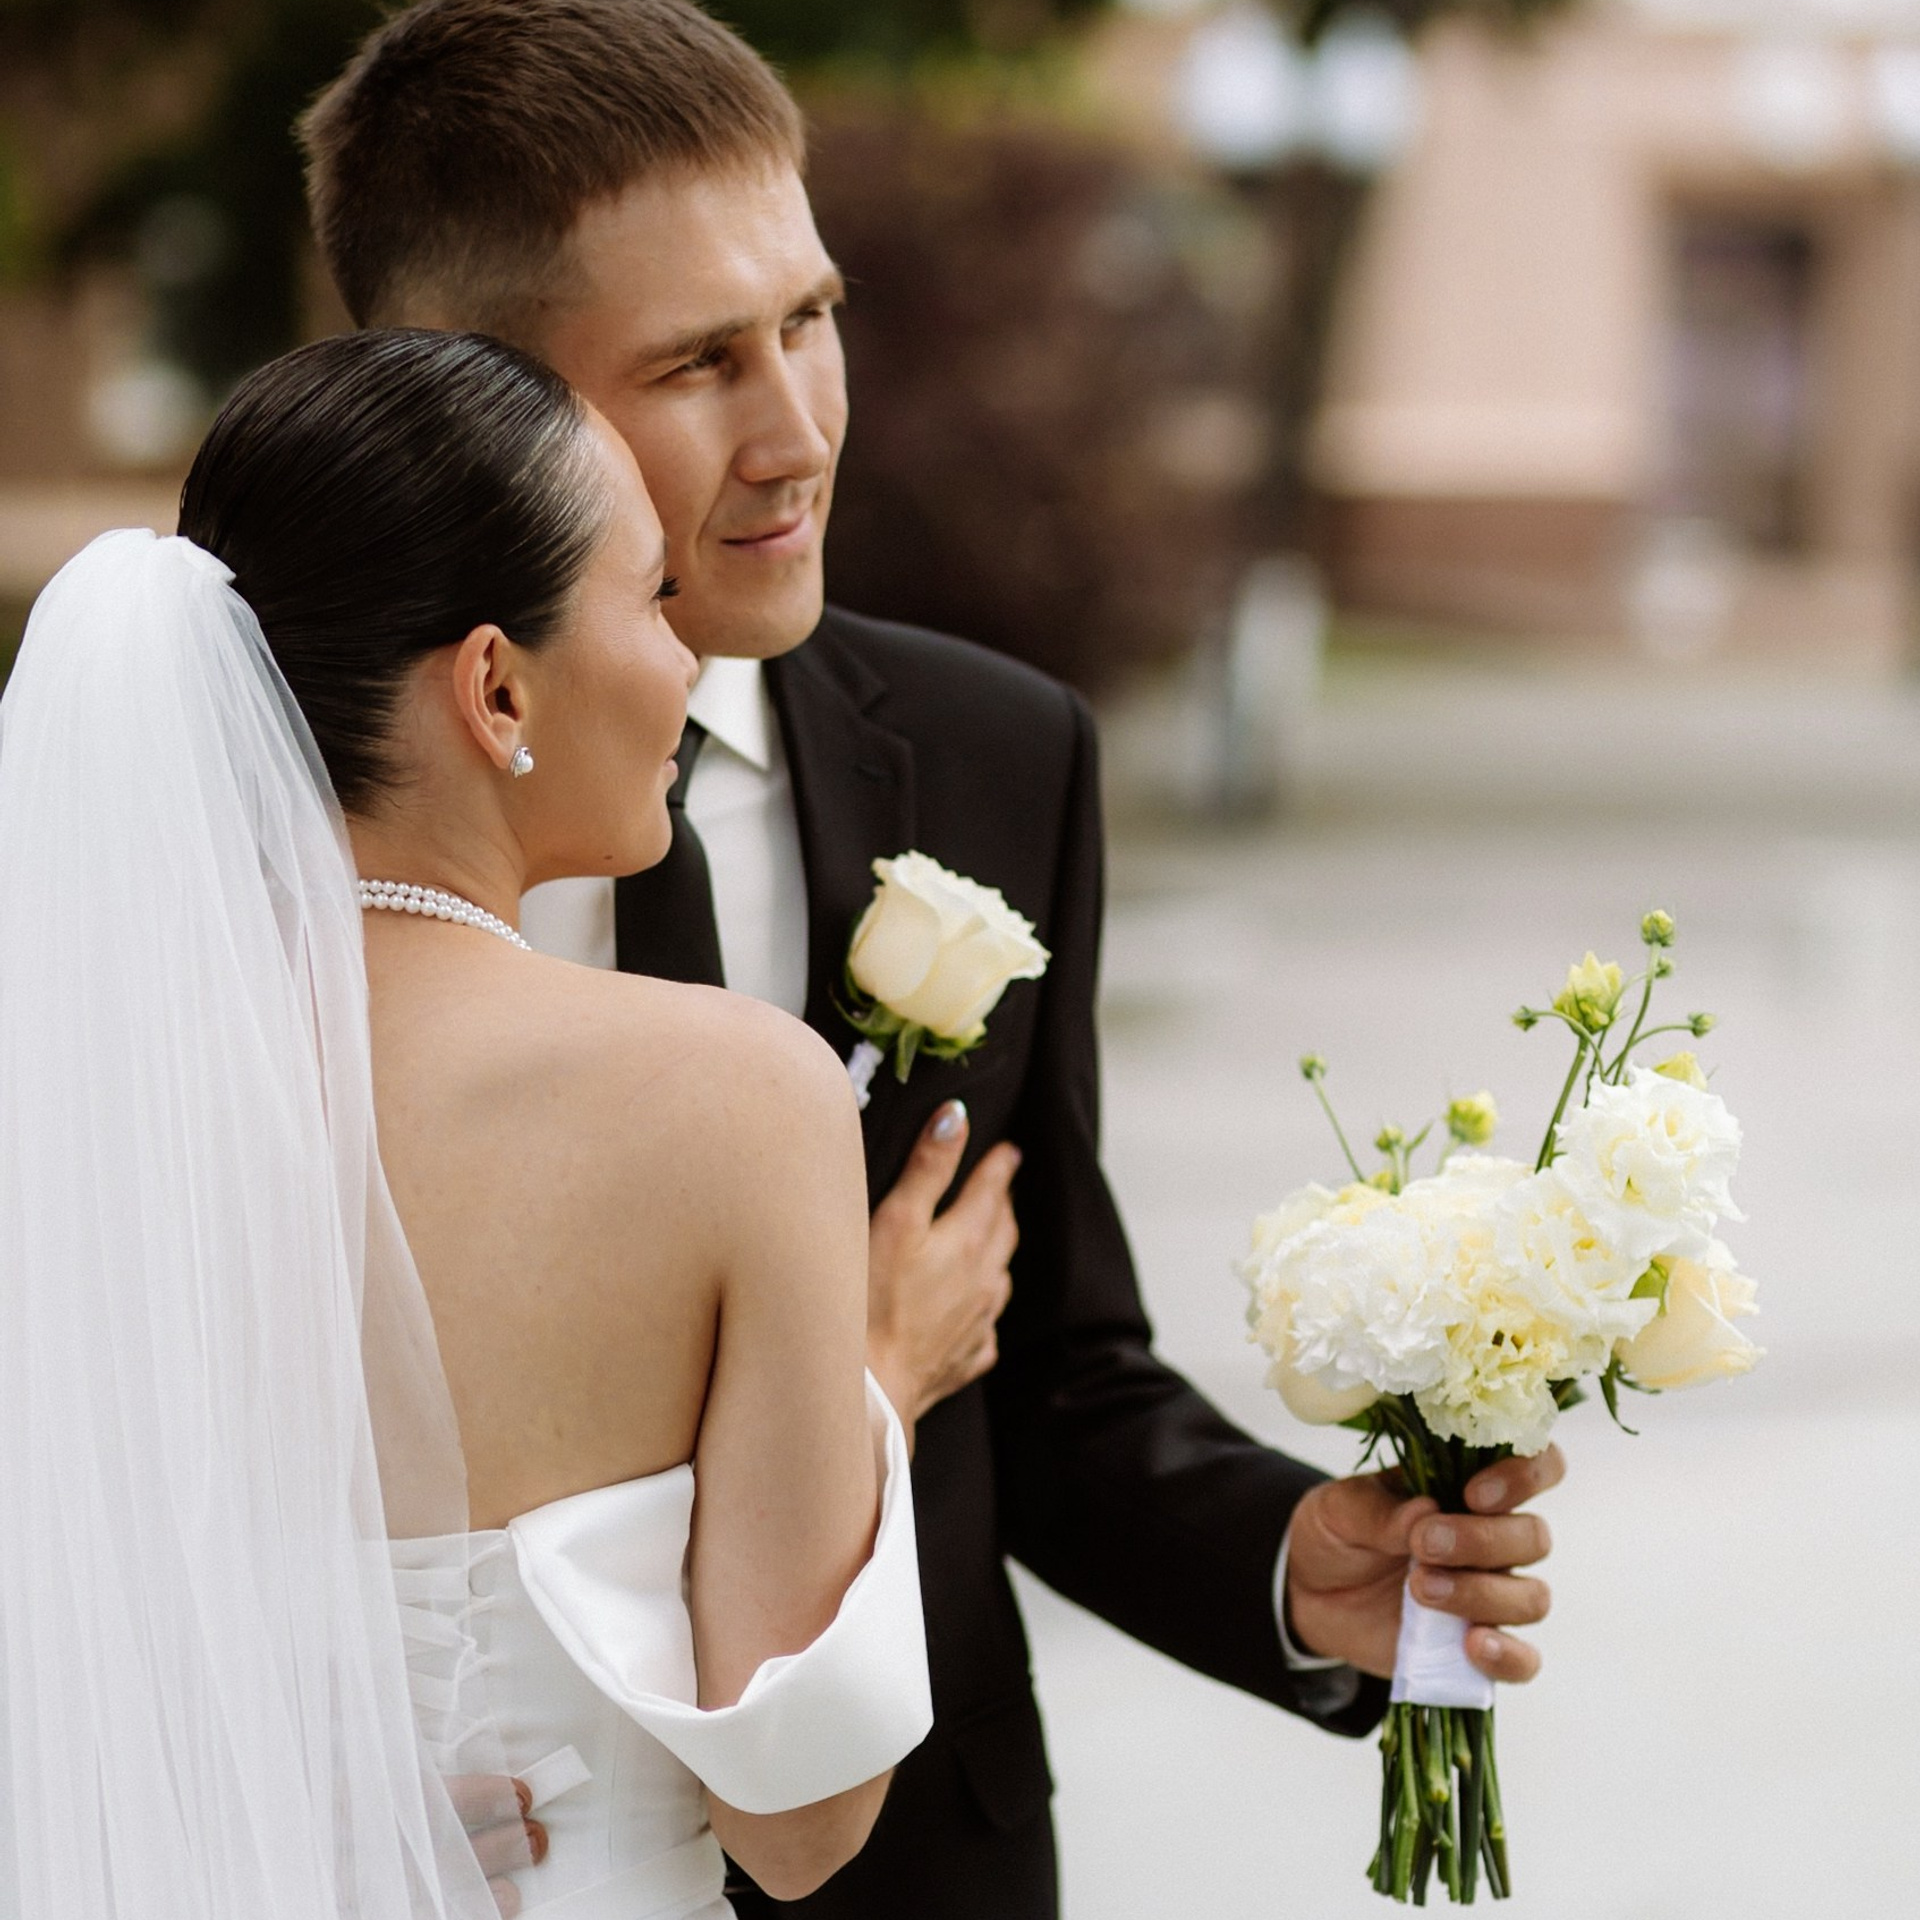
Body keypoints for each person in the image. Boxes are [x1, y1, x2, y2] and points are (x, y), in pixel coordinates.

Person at [301, 8, 1563, 1915]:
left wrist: (1295, 1566)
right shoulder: (262, 837)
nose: (797, 427)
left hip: (919, 1868)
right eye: (700, 360)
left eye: (810, 319)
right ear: (471, 397)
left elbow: (1055, 1366)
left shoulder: (994, 753)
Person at [0, 327, 932, 1919]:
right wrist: (879, 1380)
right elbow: (802, 1820)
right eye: (649, 596)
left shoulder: (72, 1097)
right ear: (496, 683)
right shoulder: (738, 1102)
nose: (687, 658)